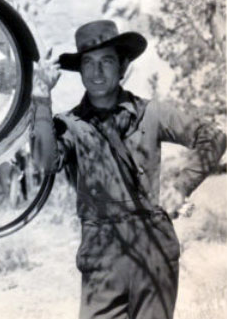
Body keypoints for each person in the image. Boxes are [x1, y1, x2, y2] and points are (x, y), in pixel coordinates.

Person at [30, 20, 226, 319]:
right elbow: (45, 163)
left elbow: (213, 137)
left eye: (106, 61)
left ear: (122, 66)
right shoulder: (68, 125)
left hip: (154, 248)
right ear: (80, 70)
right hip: (101, 254)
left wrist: (181, 186)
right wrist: (41, 99)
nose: (97, 72)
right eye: (89, 63)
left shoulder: (151, 113)